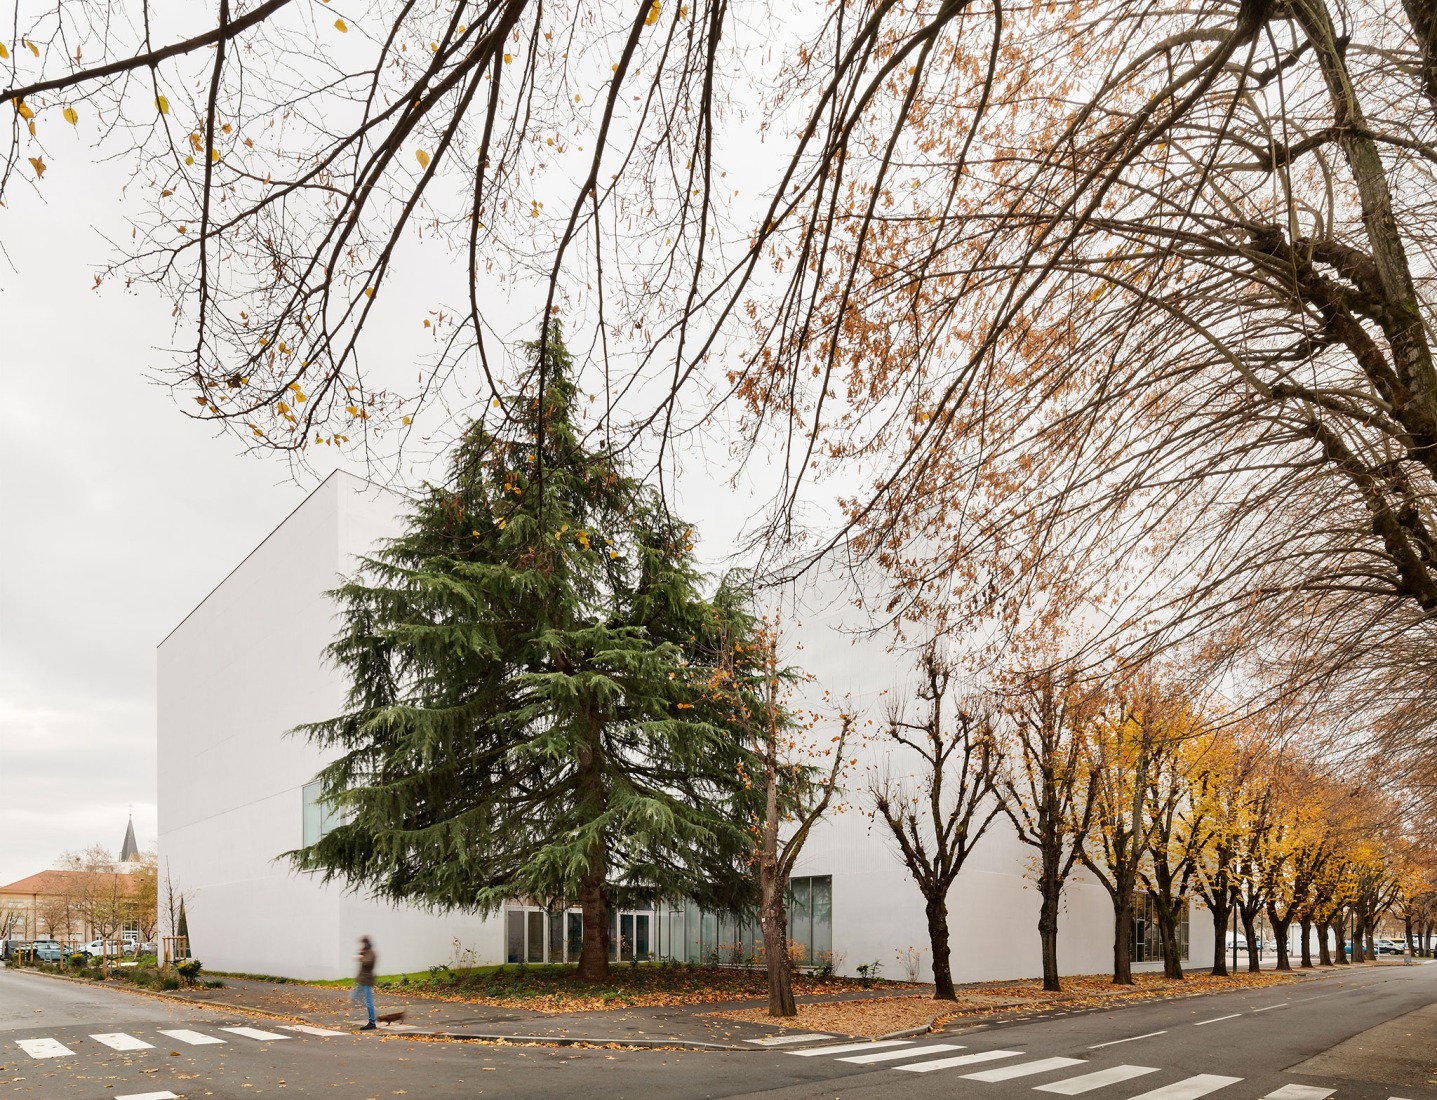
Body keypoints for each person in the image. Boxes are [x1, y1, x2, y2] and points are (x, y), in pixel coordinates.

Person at [354, 935, 377, 1030]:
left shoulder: (371, 953)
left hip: (367, 980)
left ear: (366, 943)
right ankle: (362, 1005)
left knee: (368, 1001)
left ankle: (372, 1022)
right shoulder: (367, 952)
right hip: (362, 980)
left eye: (363, 943)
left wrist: (360, 956)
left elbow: (367, 962)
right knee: (354, 997)